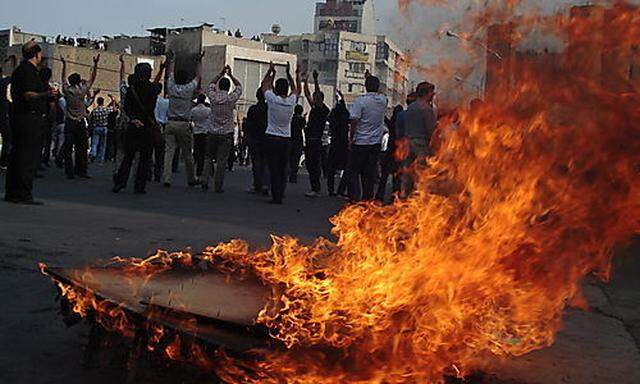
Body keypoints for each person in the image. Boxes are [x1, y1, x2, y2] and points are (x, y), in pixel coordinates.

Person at [5, 41, 57, 205]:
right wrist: (46, 95)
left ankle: (13, 192)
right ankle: (23, 193)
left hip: (21, 117)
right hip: (29, 118)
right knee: (27, 158)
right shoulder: (27, 71)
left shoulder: (23, 70)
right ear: (36, 54)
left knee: (18, 156)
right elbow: (28, 94)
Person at [112, 62, 163, 194]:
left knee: (128, 156)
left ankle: (120, 182)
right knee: (145, 159)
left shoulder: (131, 89)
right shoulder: (152, 89)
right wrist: (162, 68)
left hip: (133, 125)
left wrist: (134, 119)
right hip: (147, 126)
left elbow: (127, 108)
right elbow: (157, 84)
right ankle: (139, 186)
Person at [261, 62, 301, 204]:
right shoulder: (291, 101)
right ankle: (280, 193)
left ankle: (274, 195)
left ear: (276, 89)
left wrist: (271, 72)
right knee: (283, 168)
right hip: (286, 139)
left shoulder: (272, 100)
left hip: (271, 136)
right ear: (287, 89)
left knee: (273, 168)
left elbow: (264, 86)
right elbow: (297, 90)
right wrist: (292, 75)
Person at [162, 51, 202, 188]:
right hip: (183, 124)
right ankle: (191, 178)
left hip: (170, 122)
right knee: (187, 154)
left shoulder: (171, 87)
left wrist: (171, 60)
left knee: (169, 153)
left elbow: (170, 74)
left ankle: (167, 178)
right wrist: (199, 61)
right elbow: (198, 77)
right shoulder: (189, 89)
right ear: (186, 79)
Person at [347, 73, 388, 201]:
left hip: (360, 143)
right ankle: (367, 200)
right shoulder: (382, 101)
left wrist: (351, 138)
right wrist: (369, 78)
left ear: (365, 86)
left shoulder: (361, 101)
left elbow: (354, 121)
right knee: (368, 174)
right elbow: (380, 91)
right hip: (375, 144)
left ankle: (354, 197)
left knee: (353, 171)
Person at [202, 65, 242, 192]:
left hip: (212, 130)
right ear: (229, 87)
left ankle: (204, 180)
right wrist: (230, 75)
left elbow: (211, 84)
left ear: (219, 86)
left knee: (208, 157)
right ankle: (218, 185)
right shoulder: (231, 98)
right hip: (226, 133)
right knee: (221, 161)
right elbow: (239, 87)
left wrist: (220, 73)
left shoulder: (212, 97)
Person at [59, 54, 100, 179]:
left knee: (68, 147)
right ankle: (81, 170)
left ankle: (69, 171)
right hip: (80, 122)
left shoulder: (67, 91)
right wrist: (95, 64)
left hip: (70, 121)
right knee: (81, 149)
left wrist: (64, 64)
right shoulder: (82, 91)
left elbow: (63, 79)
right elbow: (92, 78)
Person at [400, 82, 437, 197]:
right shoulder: (426, 109)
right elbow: (431, 130)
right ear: (427, 93)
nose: (433, 95)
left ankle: (404, 198)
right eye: (432, 92)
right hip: (420, 145)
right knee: (421, 175)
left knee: (407, 175)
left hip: (408, 143)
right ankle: (417, 201)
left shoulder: (411, 107)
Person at [302, 70, 330, 198]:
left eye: (316, 98)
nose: (313, 99)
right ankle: (314, 187)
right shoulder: (314, 109)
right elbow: (307, 94)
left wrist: (316, 80)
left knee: (314, 165)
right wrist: (306, 81)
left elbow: (317, 95)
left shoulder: (323, 110)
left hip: (316, 141)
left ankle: (316, 188)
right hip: (309, 140)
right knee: (310, 164)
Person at [376, 104, 404, 202]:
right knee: (396, 179)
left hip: (389, 153)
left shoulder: (392, 124)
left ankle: (379, 196)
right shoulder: (401, 125)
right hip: (397, 154)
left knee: (384, 177)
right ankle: (394, 197)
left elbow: (386, 121)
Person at [326, 91, 350, 197]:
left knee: (331, 168)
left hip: (335, 143)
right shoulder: (345, 115)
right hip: (343, 143)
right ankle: (341, 189)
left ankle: (331, 190)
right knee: (347, 168)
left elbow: (330, 118)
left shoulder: (333, 116)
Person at [245, 88, 269, 194]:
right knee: (266, 162)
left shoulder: (252, 109)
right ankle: (265, 184)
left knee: (256, 163)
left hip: (254, 138)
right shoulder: (269, 108)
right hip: (267, 138)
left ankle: (257, 184)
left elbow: (248, 124)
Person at [0, 55, 17, 170]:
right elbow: (13, 77)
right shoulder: (5, 82)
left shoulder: (3, 81)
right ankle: (4, 161)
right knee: (7, 138)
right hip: (4, 112)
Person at [190, 94, 210, 180]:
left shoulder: (193, 110)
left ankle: (194, 169)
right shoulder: (208, 110)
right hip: (205, 132)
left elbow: (190, 120)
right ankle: (201, 170)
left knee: (196, 150)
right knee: (203, 152)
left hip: (196, 132)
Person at [88, 96, 114, 163]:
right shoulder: (105, 110)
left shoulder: (95, 110)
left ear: (97, 102)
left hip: (96, 127)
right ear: (103, 102)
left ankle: (93, 154)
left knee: (94, 143)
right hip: (104, 127)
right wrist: (112, 100)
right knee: (103, 144)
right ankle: (101, 158)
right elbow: (113, 109)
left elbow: (90, 118)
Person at [152, 85, 169, 182]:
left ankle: (147, 173)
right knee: (160, 152)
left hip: (151, 126)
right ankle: (158, 174)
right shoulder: (165, 102)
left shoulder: (149, 100)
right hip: (162, 126)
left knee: (148, 151)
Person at [288, 104, 305, 183]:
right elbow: (303, 127)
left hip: (291, 140)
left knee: (290, 159)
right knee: (296, 160)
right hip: (298, 141)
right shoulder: (301, 120)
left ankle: (289, 174)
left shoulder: (291, 119)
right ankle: (293, 176)